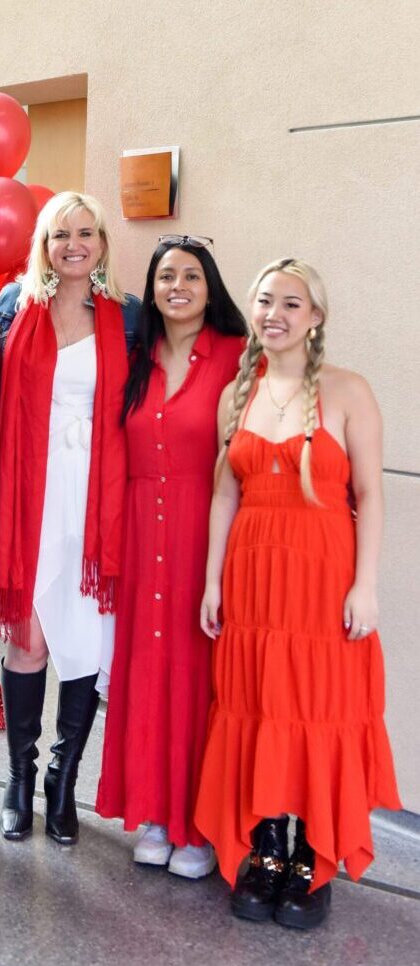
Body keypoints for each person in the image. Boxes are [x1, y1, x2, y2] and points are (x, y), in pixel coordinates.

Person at [195, 258, 401, 928]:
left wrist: (365, 586)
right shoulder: (237, 392)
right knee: (256, 705)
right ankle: (265, 849)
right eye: (263, 302)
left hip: (321, 580)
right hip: (253, 584)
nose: (273, 314)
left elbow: (369, 497)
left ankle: (313, 855)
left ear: (314, 317)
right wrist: (211, 579)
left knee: (314, 710)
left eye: (290, 303)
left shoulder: (347, 391)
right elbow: (224, 492)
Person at [0, 191, 140, 845]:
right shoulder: (13, 308)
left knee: (83, 641)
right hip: (30, 491)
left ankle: (62, 781)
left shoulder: (127, 317)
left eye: (85, 232)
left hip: (97, 496)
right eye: (59, 234)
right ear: (43, 246)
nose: (72, 244)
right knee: (29, 640)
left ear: (101, 242)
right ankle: (19, 779)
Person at [95, 235, 247, 878]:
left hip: (204, 528)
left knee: (197, 674)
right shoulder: (137, 355)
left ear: (211, 287)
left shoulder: (240, 357)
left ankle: (198, 826)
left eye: (190, 275)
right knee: (148, 671)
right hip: (140, 531)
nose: (177, 286)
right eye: (164, 276)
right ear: (151, 290)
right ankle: (154, 813)